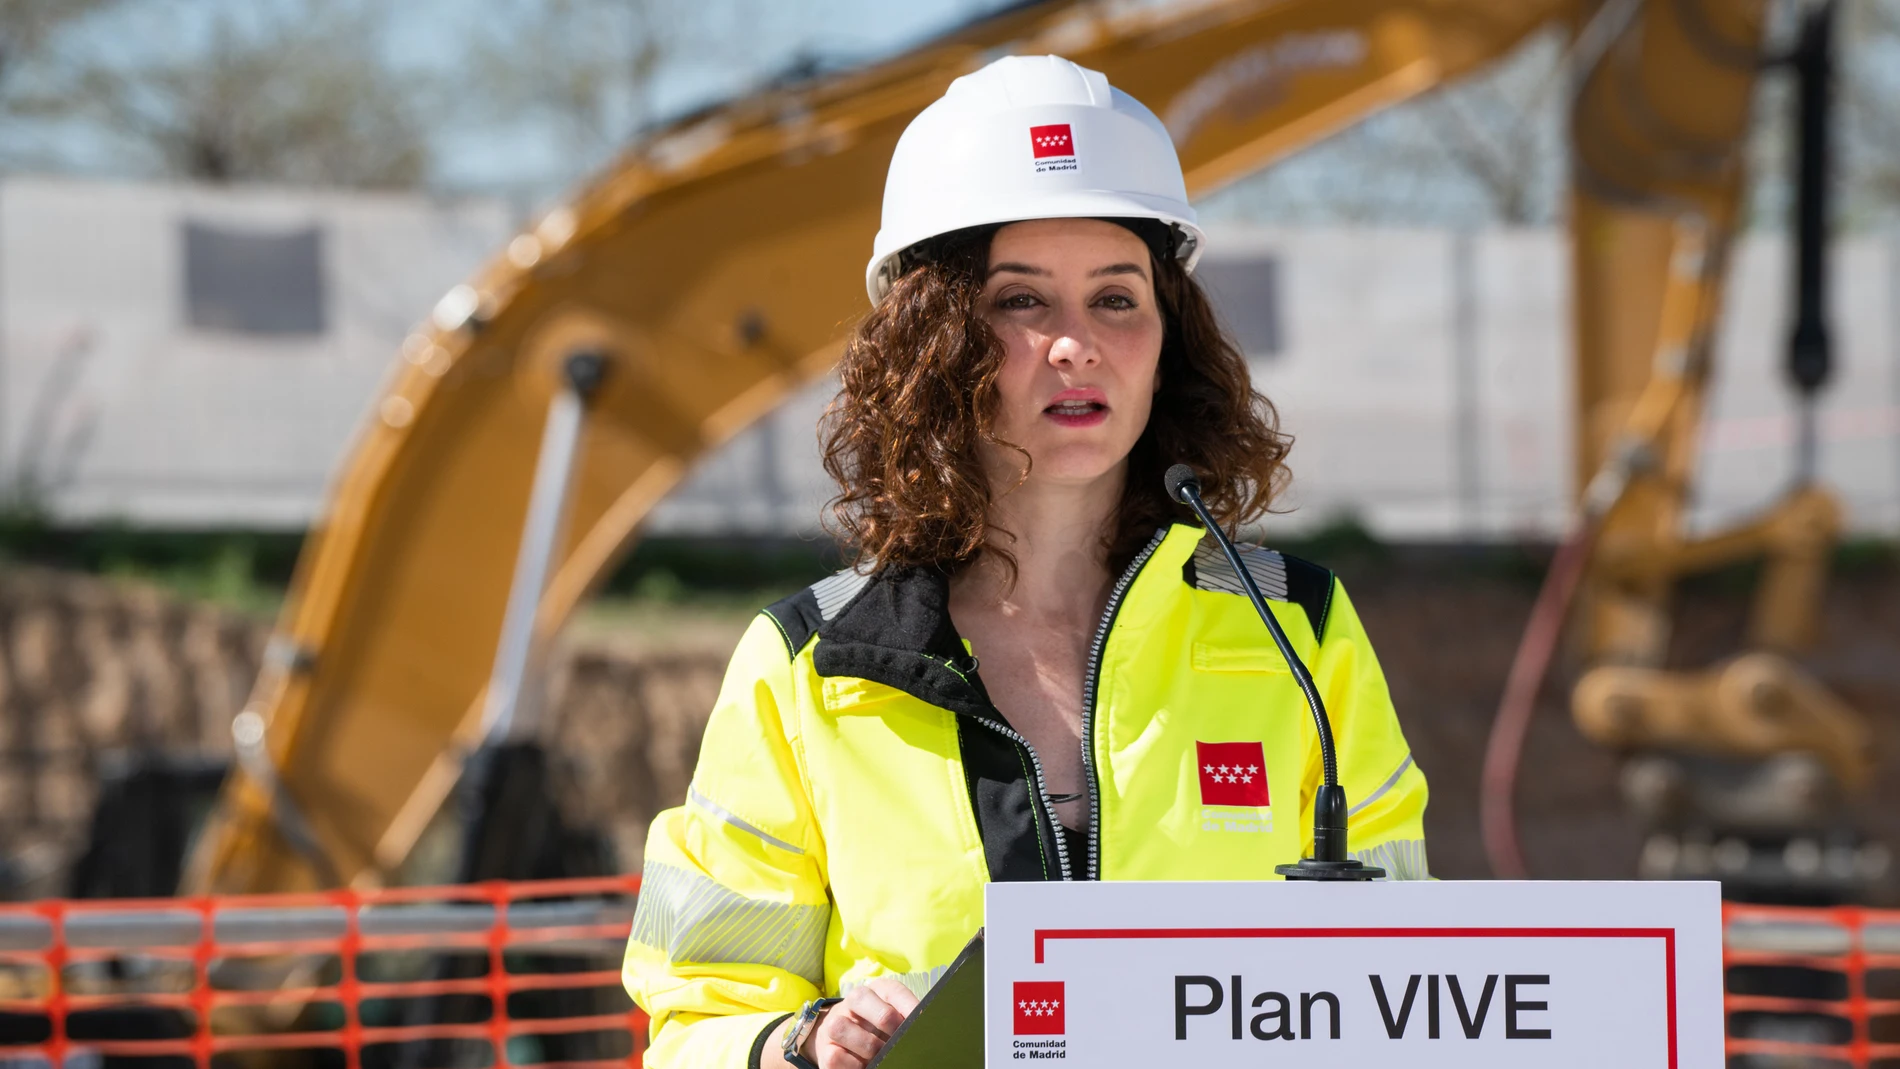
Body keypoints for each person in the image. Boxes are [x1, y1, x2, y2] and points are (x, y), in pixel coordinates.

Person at [622, 54, 1428, 1069]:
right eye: (1020, 302)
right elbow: (694, 1021)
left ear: (1165, 334)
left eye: (1116, 298)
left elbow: (1405, 973)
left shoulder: (1298, 629)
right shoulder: (807, 668)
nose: (1075, 344)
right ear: (934, 340)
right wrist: (798, 1043)